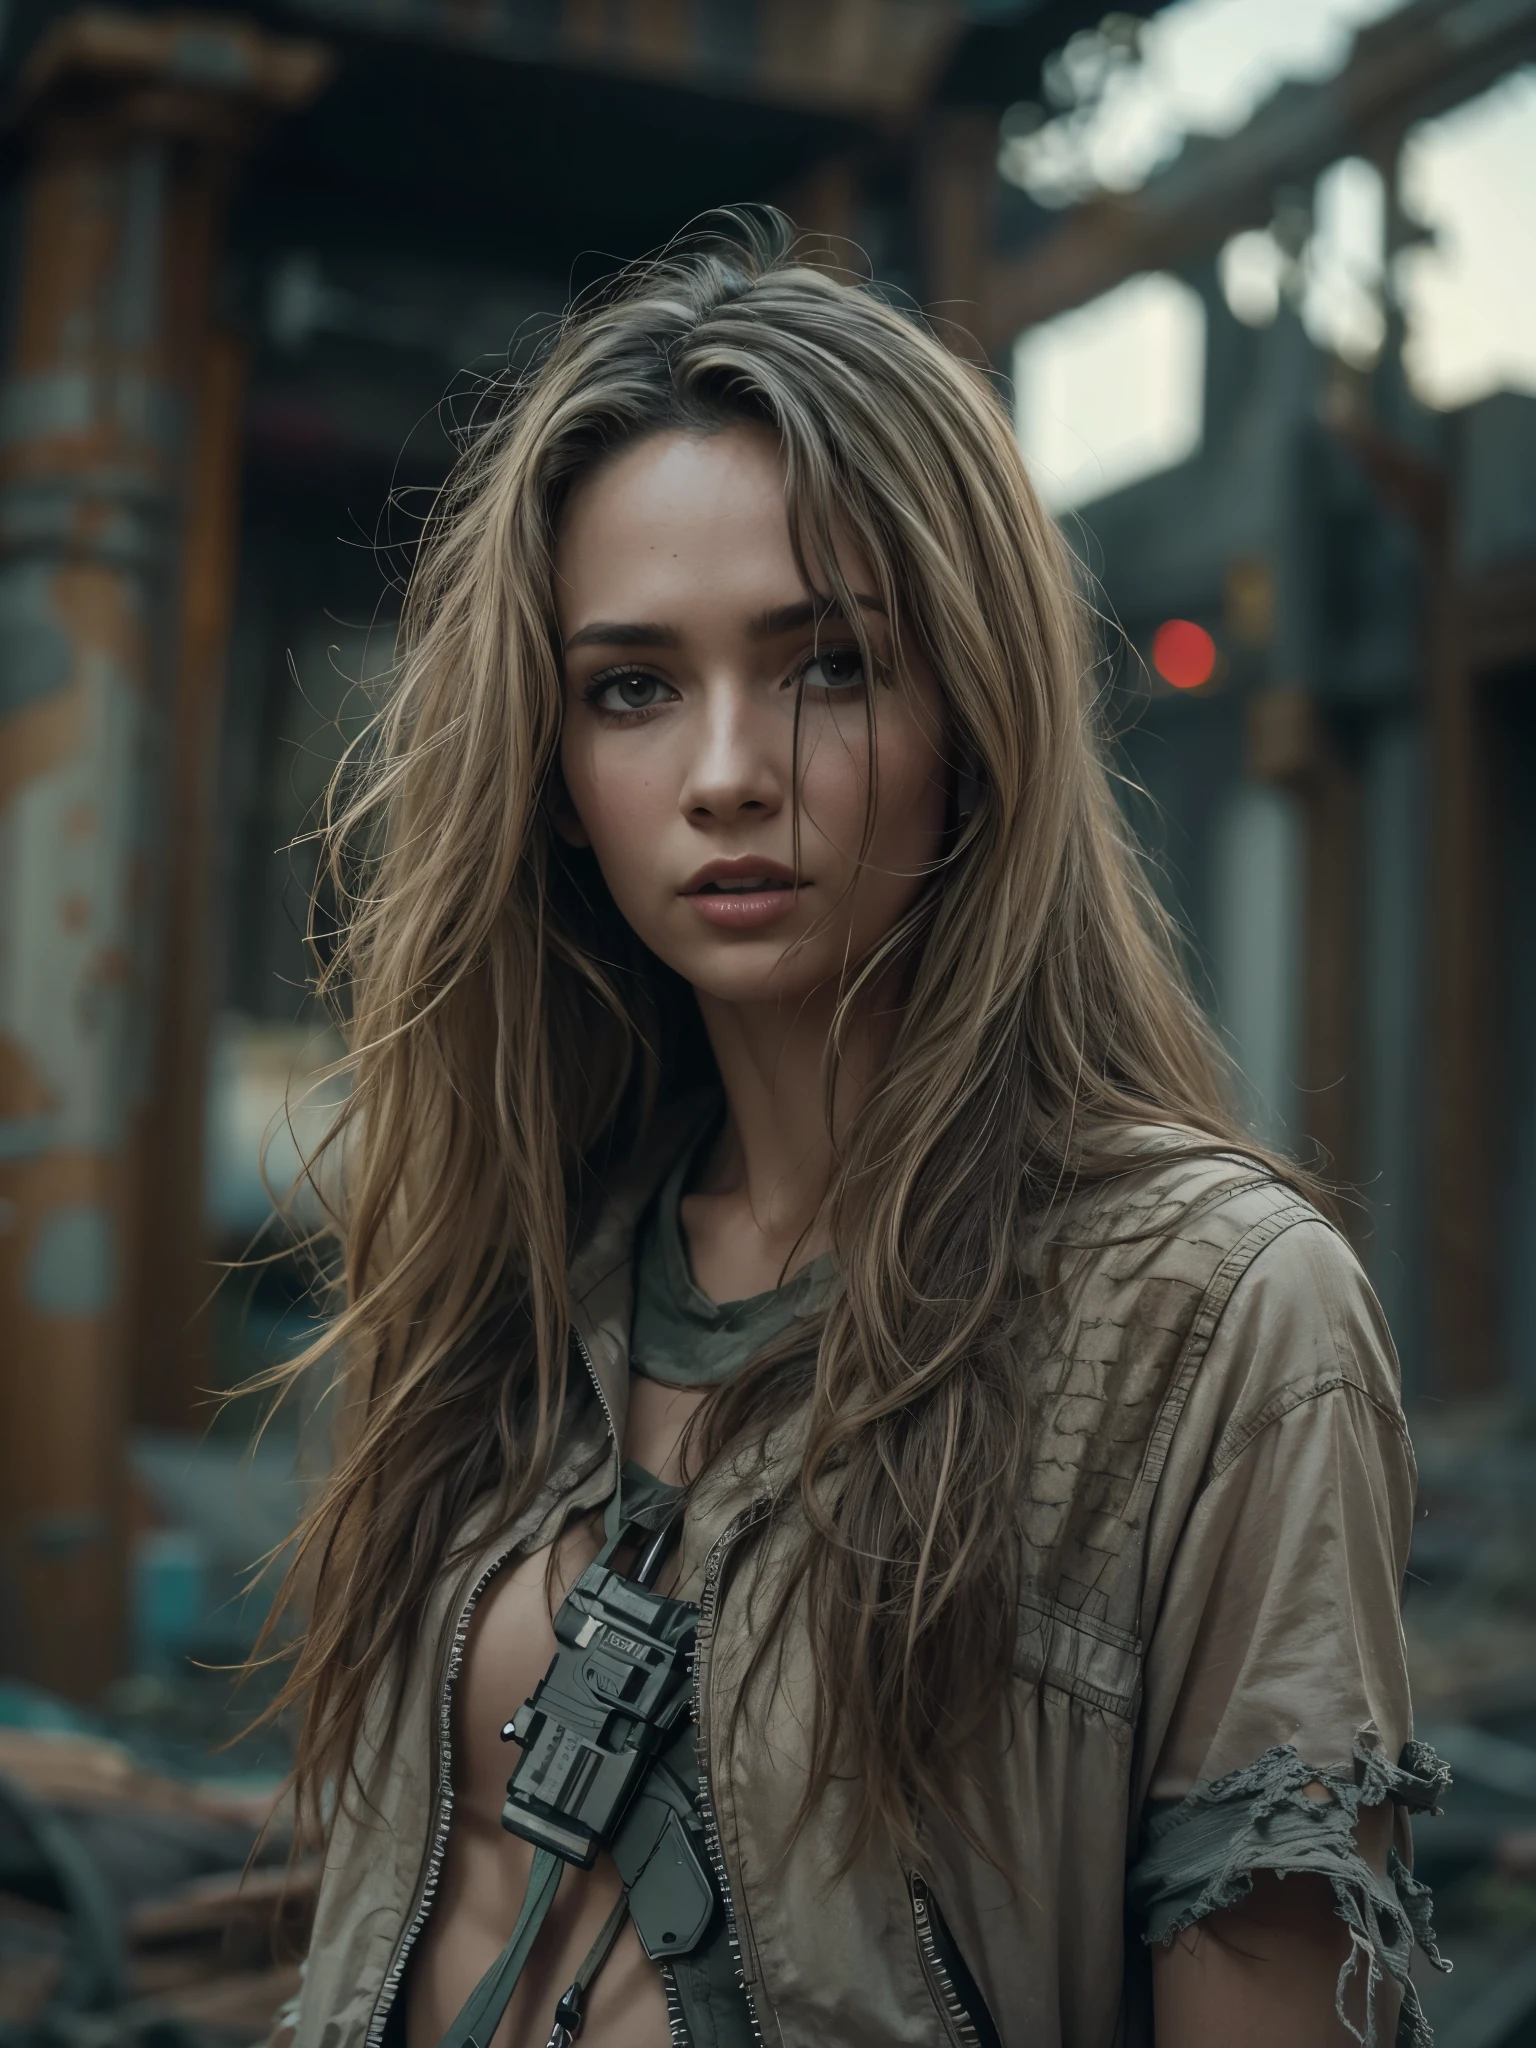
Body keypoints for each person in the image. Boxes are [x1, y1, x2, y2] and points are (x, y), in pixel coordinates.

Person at [261, 213, 1447, 2048]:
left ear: (970, 715)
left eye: (827, 665)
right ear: (559, 773)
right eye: (634, 687)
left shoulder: (1210, 1316)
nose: (728, 769)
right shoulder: (517, 1257)